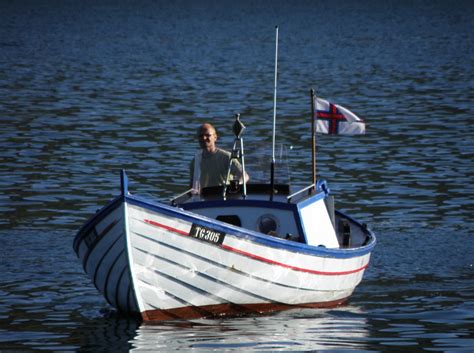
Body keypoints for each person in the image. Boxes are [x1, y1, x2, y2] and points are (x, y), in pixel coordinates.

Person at [190, 123, 248, 193]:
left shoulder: (227, 157)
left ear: (215, 137)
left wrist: (236, 185)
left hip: (224, 198)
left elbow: (244, 176)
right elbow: (192, 186)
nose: (204, 138)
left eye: (208, 135)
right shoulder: (195, 161)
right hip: (205, 200)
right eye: (201, 136)